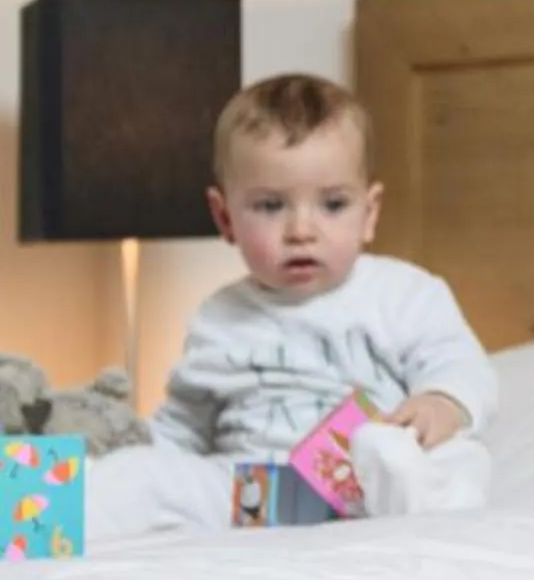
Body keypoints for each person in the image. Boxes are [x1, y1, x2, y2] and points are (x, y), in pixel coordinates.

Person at [87, 74, 495, 538]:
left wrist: (440, 403)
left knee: (455, 458)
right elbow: (183, 428)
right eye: (270, 206)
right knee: (139, 476)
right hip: (255, 492)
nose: (301, 229)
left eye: (333, 204)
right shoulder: (219, 317)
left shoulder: (404, 294)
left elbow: (463, 366)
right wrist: (133, 456)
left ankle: (429, 509)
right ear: (225, 217)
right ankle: (54, 512)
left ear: (370, 212)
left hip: (367, 482)